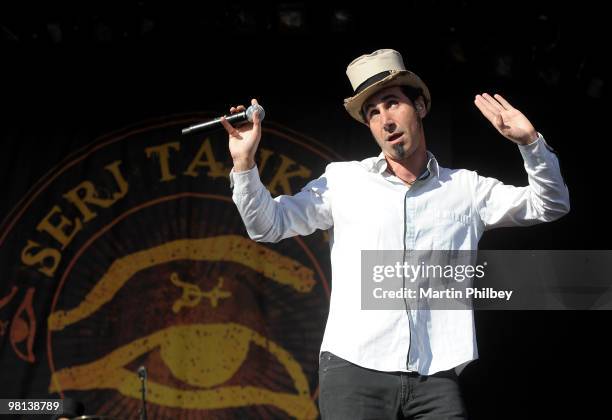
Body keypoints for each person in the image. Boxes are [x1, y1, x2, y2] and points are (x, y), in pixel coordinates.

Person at [222, 49, 569, 419]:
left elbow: (550, 204)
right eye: (373, 113)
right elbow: (267, 225)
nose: (385, 120)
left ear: (419, 106)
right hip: (354, 369)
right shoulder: (344, 181)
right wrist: (244, 163)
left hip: (436, 374)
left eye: (392, 104)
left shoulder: (466, 188)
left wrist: (530, 143)